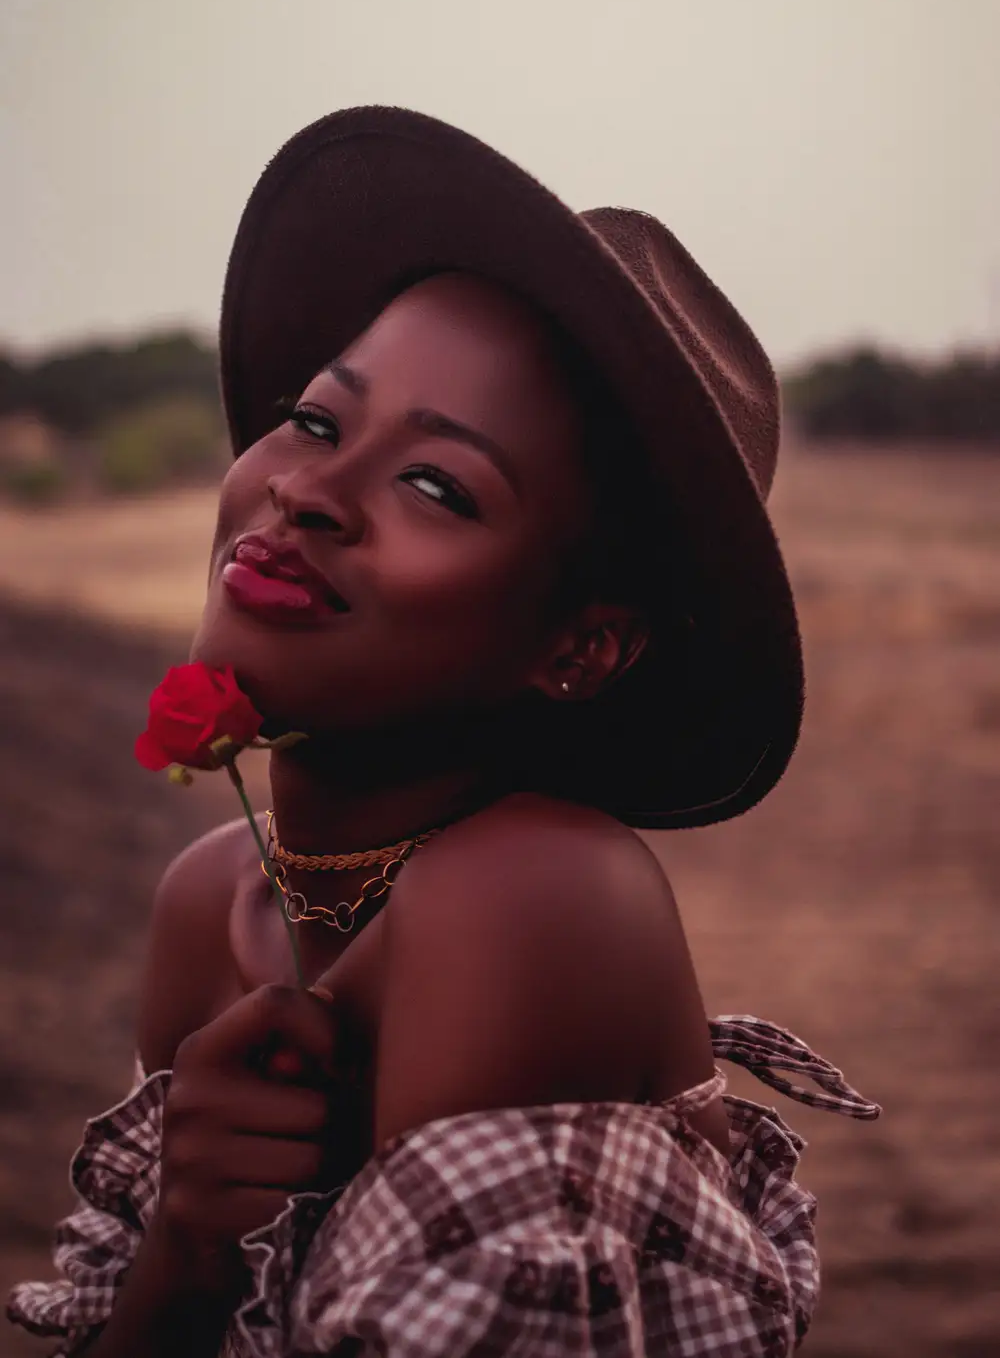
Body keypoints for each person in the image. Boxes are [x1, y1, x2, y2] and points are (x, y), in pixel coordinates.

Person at [8, 107, 878, 1357]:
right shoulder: (213, 902)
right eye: (314, 421)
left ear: (576, 647)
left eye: (436, 485)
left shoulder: (534, 896)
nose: (304, 489)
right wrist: (188, 1247)